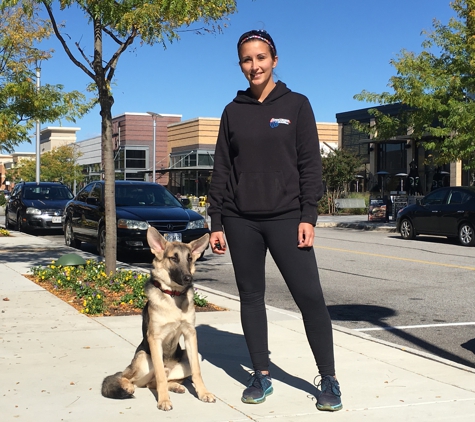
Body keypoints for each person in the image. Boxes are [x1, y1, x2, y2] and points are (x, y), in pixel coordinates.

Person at [207, 29, 342, 412]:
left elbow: (309, 166)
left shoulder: (297, 105)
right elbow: (221, 167)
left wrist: (309, 215)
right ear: (241, 65)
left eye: (261, 58)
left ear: (275, 60)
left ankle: (328, 378)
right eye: (247, 60)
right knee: (251, 298)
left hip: (287, 217)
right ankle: (261, 375)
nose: (255, 66)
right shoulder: (233, 111)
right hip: (239, 218)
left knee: (310, 297)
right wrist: (215, 219)